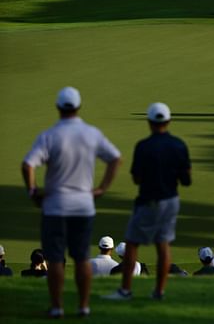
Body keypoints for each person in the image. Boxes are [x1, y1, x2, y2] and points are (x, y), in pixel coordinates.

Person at [21, 86, 122, 318]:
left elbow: (28, 165)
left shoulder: (49, 134)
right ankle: (83, 306)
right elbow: (115, 158)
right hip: (83, 206)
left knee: (55, 259)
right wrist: (102, 189)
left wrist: (33, 192)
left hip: (55, 206)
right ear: (78, 107)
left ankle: (57, 307)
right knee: (81, 258)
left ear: (58, 107)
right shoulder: (91, 133)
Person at [104, 102, 191, 301]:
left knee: (132, 244)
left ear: (150, 122)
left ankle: (125, 290)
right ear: (168, 121)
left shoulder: (143, 146)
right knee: (163, 245)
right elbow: (186, 180)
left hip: (148, 200)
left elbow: (136, 178)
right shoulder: (179, 145)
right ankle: (159, 292)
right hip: (170, 201)